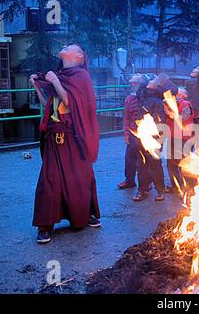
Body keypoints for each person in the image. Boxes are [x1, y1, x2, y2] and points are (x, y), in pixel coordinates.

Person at [30, 43, 101, 244]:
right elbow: (48, 105)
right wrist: (38, 86)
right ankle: (45, 225)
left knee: (80, 178)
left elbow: (72, 103)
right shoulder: (60, 76)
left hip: (74, 138)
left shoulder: (81, 76)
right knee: (49, 179)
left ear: (79, 55)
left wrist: (54, 81)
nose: (64, 46)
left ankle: (85, 215)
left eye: (69, 46)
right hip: (54, 138)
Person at [132, 74, 178, 202]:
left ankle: (160, 190)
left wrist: (162, 79)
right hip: (141, 135)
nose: (148, 82)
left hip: (154, 138)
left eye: (152, 81)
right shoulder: (143, 96)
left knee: (154, 164)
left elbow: (160, 122)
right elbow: (141, 88)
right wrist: (149, 80)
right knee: (141, 164)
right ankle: (143, 190)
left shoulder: (158, 102)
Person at [117, 74, 146, 190]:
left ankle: (145, 184)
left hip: (145, 134)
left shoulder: (145, 97)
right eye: (132, 83)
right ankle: (129, 180)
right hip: (133, 133)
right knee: (129, 158)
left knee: (143, 160)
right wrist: (126, 133)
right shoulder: (129, 98)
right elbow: (127, 117)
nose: (132, 85)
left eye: (135, 83)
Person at [164, 87, 194, 196]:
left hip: (182, 139)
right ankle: (175, 187)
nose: (176, 91)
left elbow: (182, 119)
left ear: (184, 95)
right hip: (171, 137)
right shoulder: (169, 103)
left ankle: (188, 189)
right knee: (171, 164)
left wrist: (170, 113)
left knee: (183, 164)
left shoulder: (186, 104)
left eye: (180, 90)